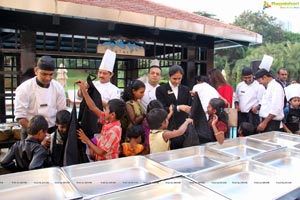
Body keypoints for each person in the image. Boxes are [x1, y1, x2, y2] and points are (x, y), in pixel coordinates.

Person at [14, 56, 67, 140]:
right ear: (36, 71)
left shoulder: (58, 88)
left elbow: (62, 111)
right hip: (30, 131)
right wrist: (36, 134)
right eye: (44, 74)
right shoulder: (24, 88)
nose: (47, 78)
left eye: (50, 74)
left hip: (52, 130)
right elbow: (20, 117)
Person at [76, 80, 125, 161]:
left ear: (112, 115)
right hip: (100, 160)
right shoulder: (108, 120)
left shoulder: (114, 131)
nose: (104, 111)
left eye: (106, 110)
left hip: (108, 163)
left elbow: (100, 152)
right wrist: (83, 90)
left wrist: (86, 139)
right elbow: (93, 107)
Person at [156, 65, 192, 150]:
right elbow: (162, 108)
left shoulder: (186, 89)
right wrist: (178, 108)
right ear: (169, 76)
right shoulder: (161, 89)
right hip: (168, 125)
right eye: (174, 79)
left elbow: (190, 105)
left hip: (183, 125)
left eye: (179, 79)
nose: (177, 81)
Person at [234, 67, 265, 132]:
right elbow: (236, 99)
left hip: (252, 115)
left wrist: (257, 107)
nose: (247, 79)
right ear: (242, 77)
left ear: (252, 76)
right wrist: (237, 105)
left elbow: (262, 101)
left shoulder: (259, 86)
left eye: (249, 77)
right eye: (245, 78)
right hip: (241, 114)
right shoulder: (239, 85)